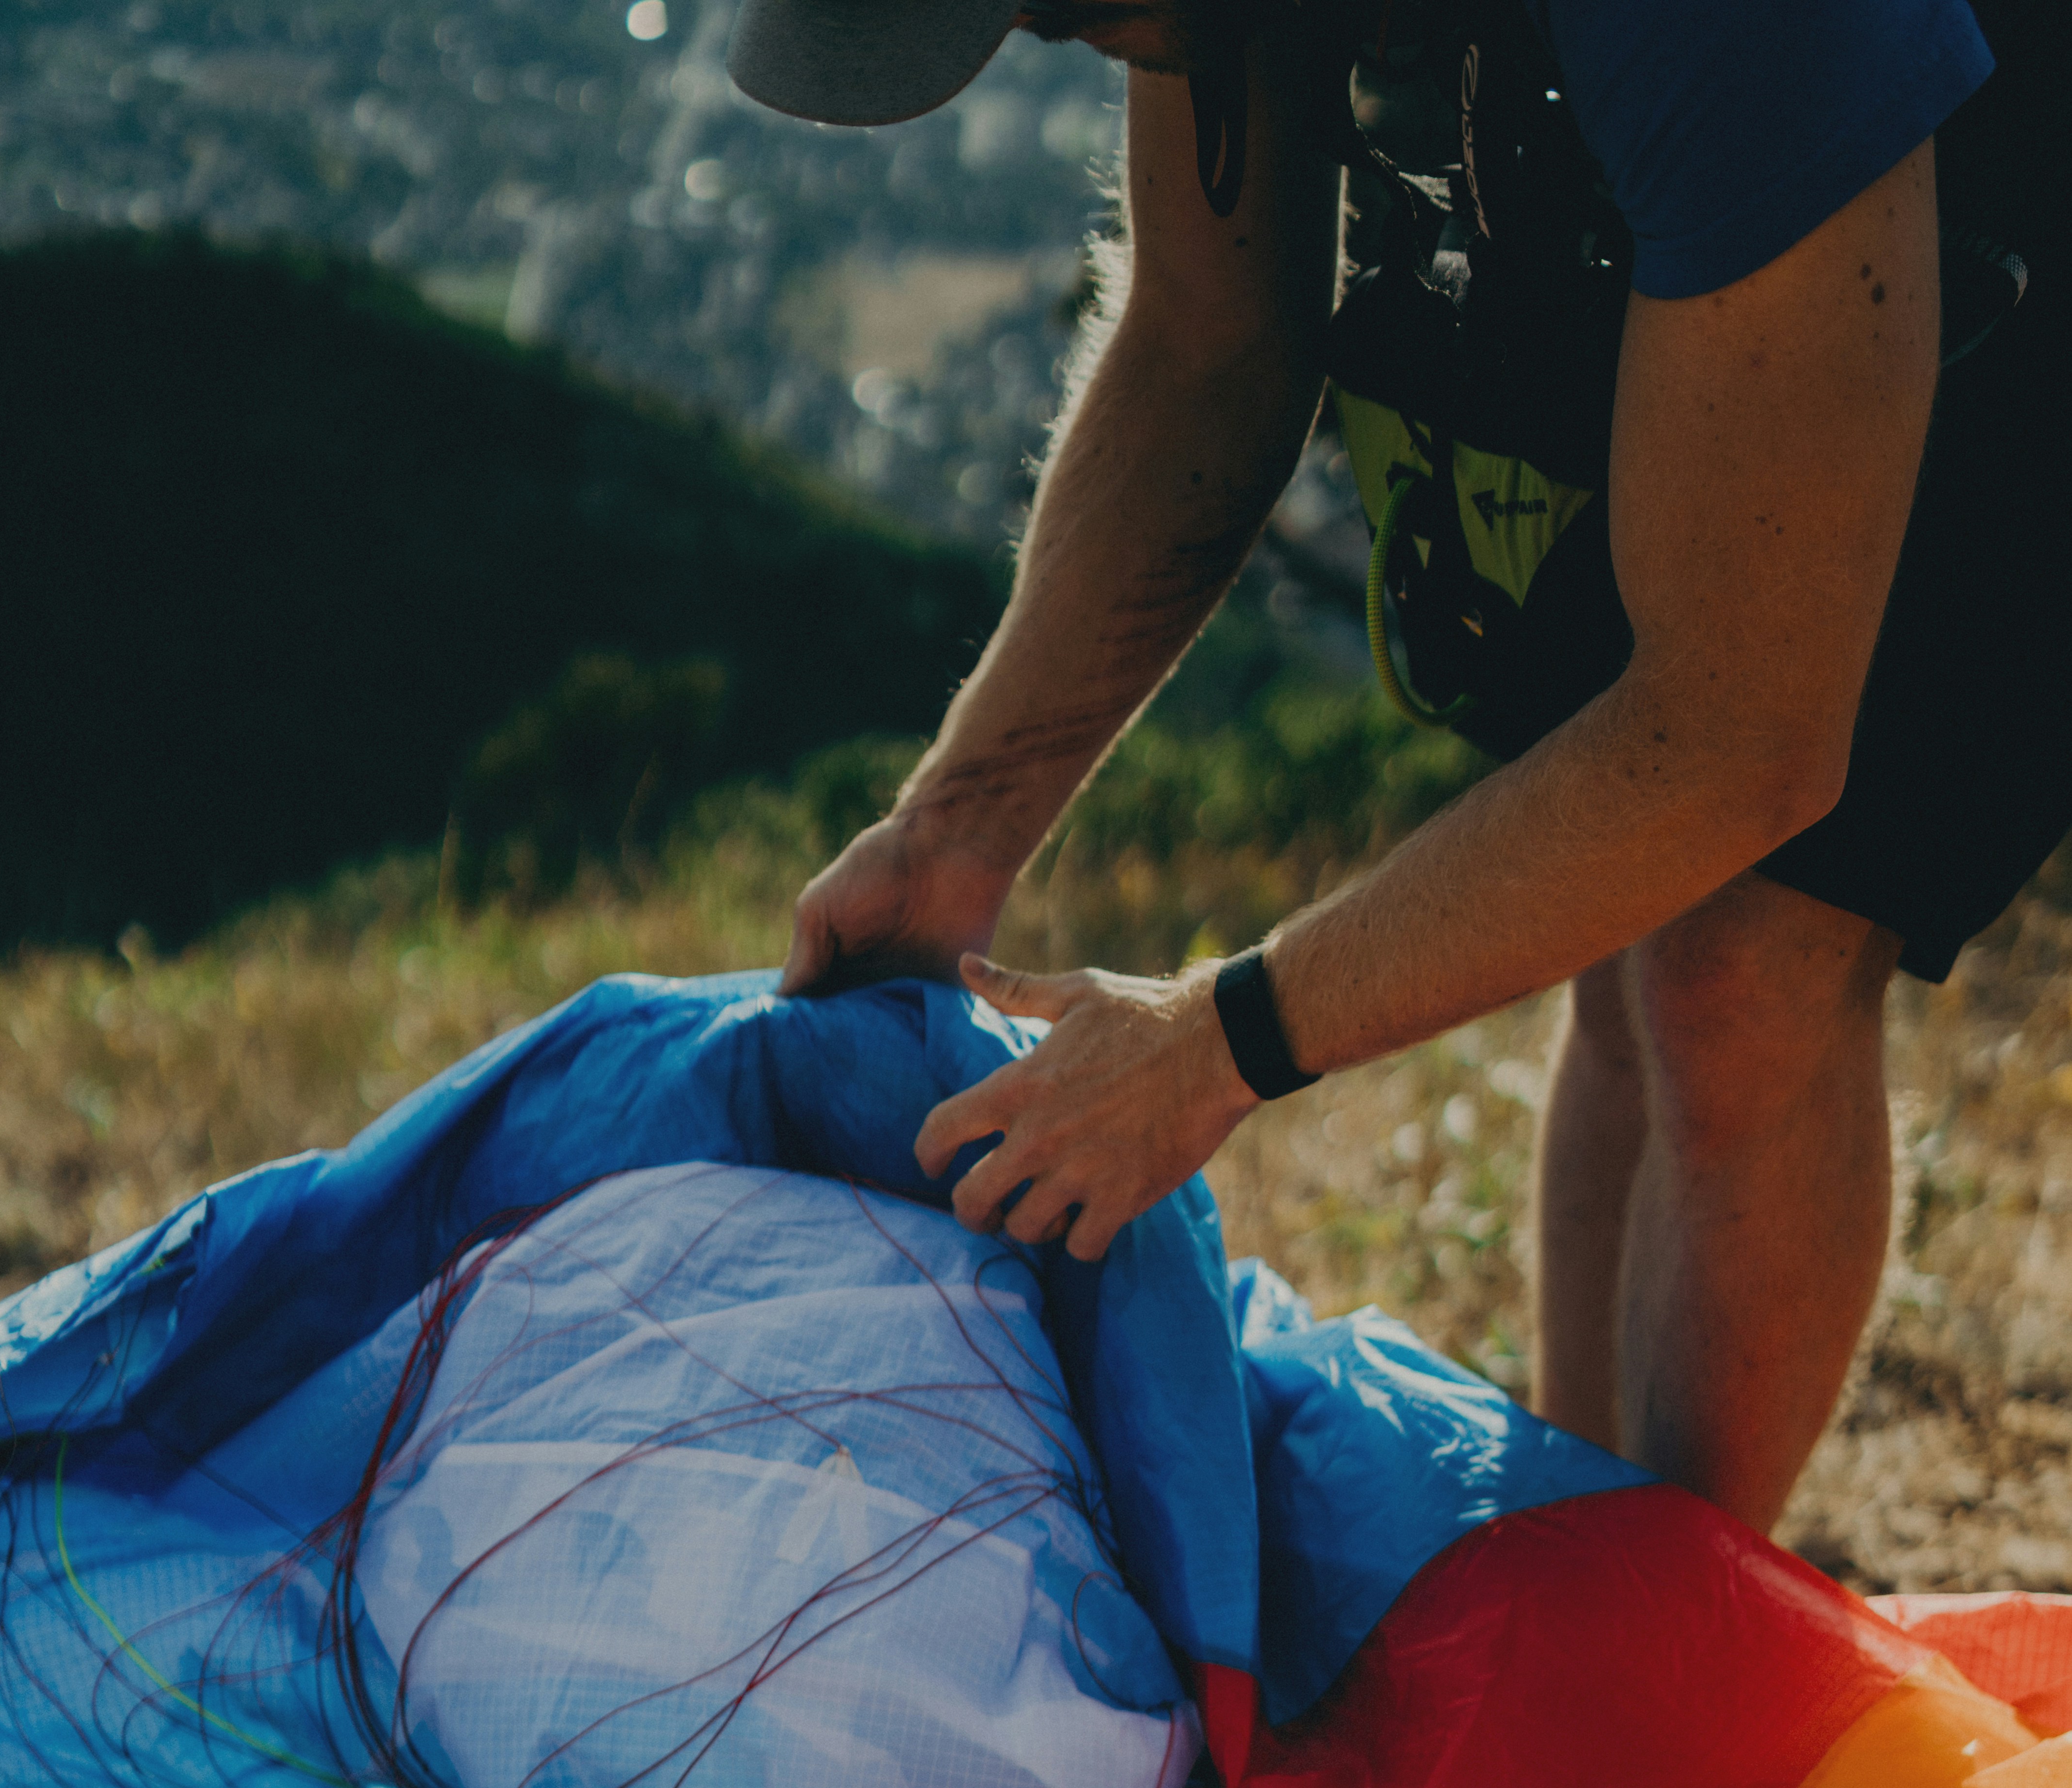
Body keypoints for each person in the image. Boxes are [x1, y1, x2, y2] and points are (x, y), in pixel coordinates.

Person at [723, 0, 2069, 1535]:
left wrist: (1215, 1041)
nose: (1061, 40)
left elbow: (1733, 739)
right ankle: (1590, 1547)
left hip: (1994, 215)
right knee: (1624, 948)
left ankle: (1690, 1640)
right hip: (1722, 202)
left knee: (1739, 961)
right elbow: (1204, 344)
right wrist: (957, 827)